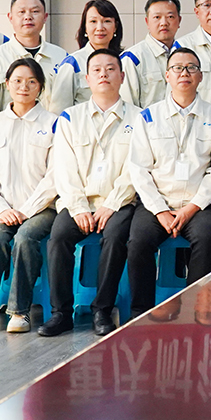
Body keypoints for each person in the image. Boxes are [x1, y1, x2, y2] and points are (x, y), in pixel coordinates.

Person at [40, 49, 139, 338]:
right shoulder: (70, 118)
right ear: (87, 78)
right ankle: (61, 313)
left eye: (110, 69)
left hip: (119, 202)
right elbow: (63, 168)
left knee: (116, 236)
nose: (104, 74)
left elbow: (136, 169)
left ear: (122, 77)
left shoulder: (139, 118)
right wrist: (78, 207)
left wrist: (113, 204)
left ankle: (102, 310)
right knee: (59, 237)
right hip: (78, 202)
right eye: (97, 70)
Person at [125, 47, 211, 324]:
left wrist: (192, 208)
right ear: (167, 75)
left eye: (191, 68)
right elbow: (139, 169)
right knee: (138, 242)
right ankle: (140, 315)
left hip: (197, 205)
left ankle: (196, 311)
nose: (184, 73)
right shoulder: (148, 117)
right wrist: (160, 210)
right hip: (157, 203)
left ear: (201, 76)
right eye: (178, 68)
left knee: (207, 238)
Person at [0, 58, 59, 335]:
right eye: (17, 81)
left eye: (31, 82)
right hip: (2, 208)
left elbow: (55, 176)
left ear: (40, 87)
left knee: (25, 238)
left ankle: (19, 311)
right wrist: (1, 208)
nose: (24, 87)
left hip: (42, 209)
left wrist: (27, 210)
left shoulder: (54, 124)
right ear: (7, 84)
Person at [0, 0, 65, 114]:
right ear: (10, 17)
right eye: (21, 12)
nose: (28, 17)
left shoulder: (62, 57)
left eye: (35, 11)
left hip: (54, 126)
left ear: (45, 17)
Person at [49, 0, 124, 111]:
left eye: (107, 21)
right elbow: (59, 111)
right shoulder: (73, 63)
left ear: (115, 27)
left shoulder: (125, 60)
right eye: (93, 21)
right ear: (85, 27)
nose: (100, 28)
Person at [121, 0, 183, 107]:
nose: (164, 23)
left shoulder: (188, 57)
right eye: (157, 17)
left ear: (179, 20)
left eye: (170, 17)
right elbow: (127, 107)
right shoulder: (133, 58)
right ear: (147, 22)